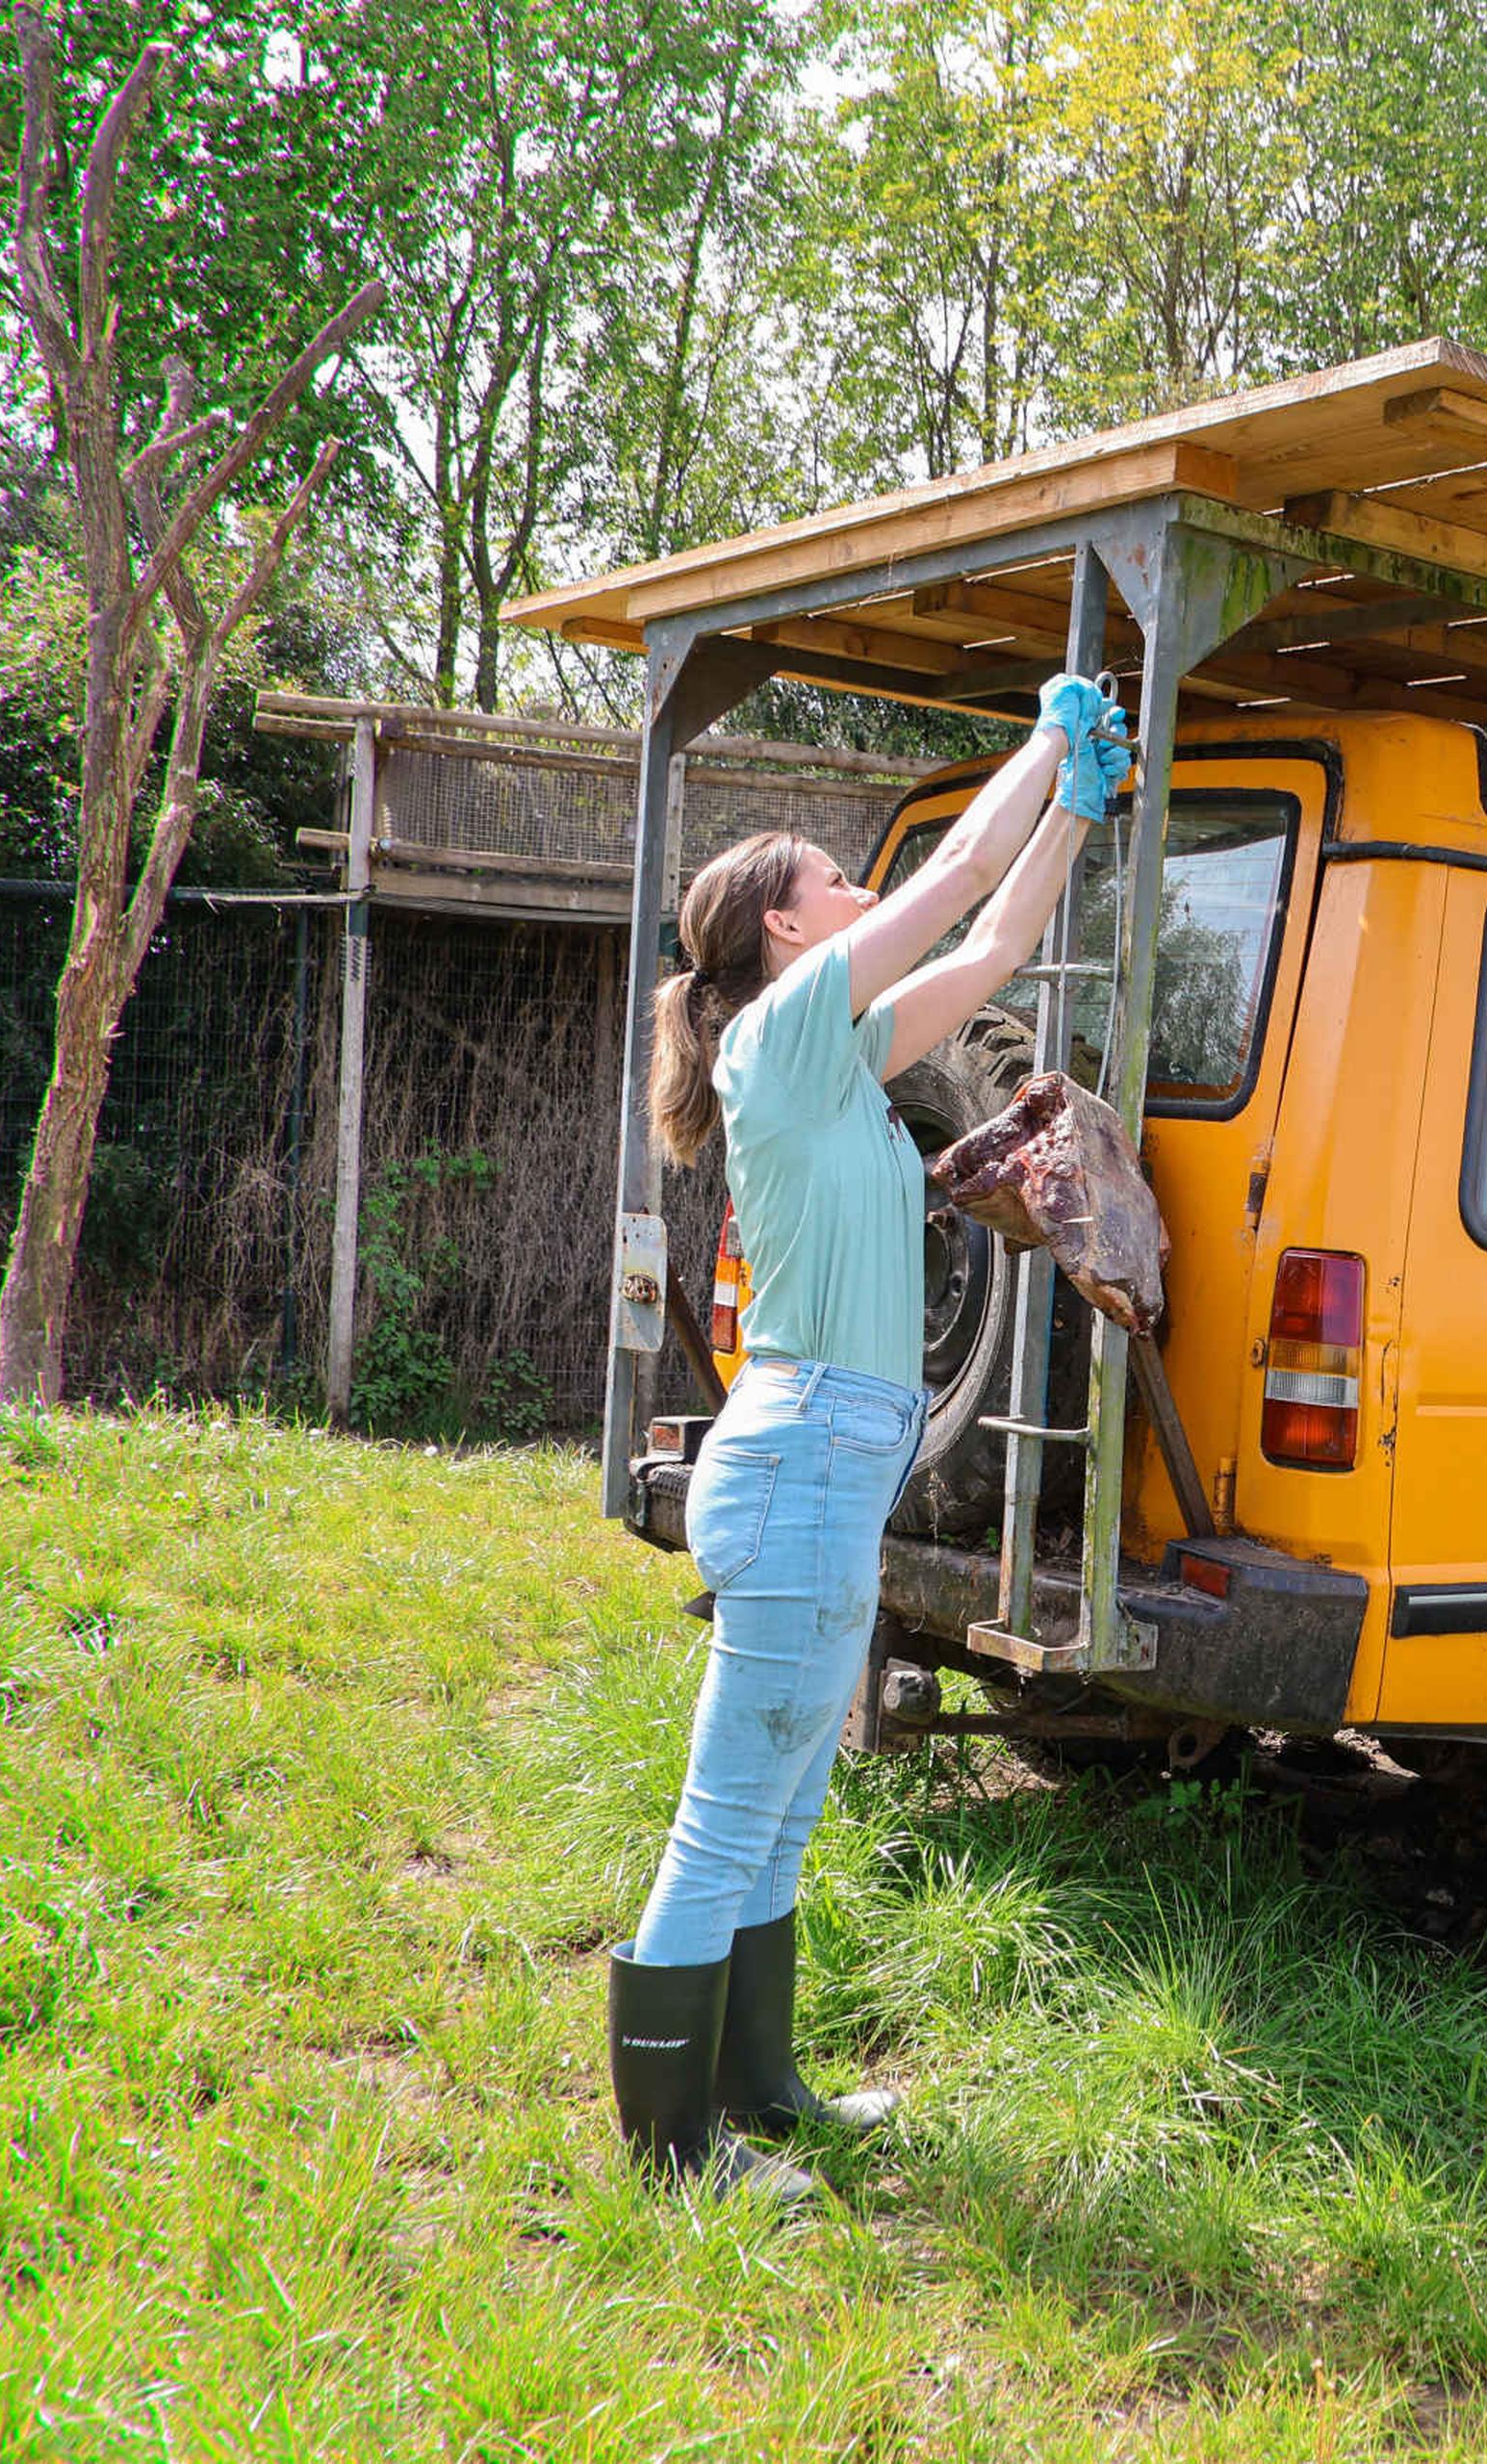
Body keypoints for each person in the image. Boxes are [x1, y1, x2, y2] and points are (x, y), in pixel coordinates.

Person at [609, 674, 1133, 2198]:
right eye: (838, 880)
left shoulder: (837, 1059)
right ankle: (675, 2154)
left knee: (780, 1802)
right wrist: (1044, 745)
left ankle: (764, 2094)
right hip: (798, 1463)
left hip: (838, 1462)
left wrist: (1079, 819)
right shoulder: (776, 1035)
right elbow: (955, 879)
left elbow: (995, 938)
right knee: (730, 1812)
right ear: (783, 926)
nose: (861, 891)